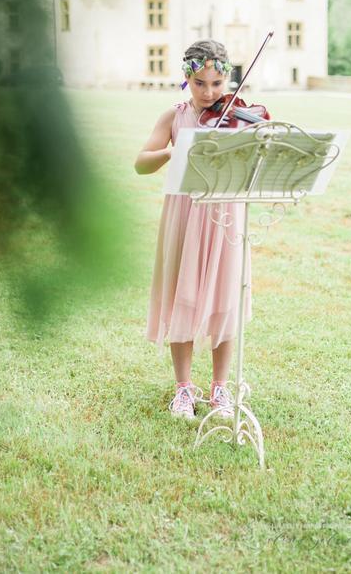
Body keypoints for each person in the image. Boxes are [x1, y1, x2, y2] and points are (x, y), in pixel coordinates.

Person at [134, 39, 251, 421]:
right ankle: (183, 388)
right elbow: (140, 163)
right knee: (181, 295)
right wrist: (173, 151)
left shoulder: (237, 117)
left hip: (225, 216)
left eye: (217, 84)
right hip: (184, 215)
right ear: (187, 78)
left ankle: (220, 388)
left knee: (224, 296)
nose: (209, 93)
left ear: (227, 81)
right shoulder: (175, 116)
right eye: (200, 83)